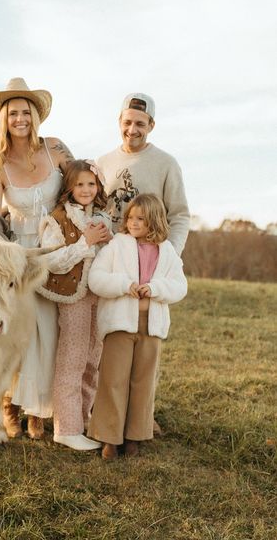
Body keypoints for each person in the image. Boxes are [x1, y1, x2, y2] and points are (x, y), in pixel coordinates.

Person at [0, 77, 74, 440]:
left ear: (36, 116)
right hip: (16, 257)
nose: (20, 119)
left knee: (48, 330)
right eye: (13, 113)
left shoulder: (56, 148)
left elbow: (80, 183)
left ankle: (39, 410)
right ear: (4, 119)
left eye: (26, 112)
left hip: (55, 250)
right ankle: (9, 404)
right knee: (17, 331)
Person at [87, 194, 187, 460]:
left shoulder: (167, 252)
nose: (133, 222)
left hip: (151, 326)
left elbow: (180, 286)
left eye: (140, 218)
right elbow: (96, 279)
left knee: (143, 382)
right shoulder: (117, 246)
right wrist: (123, 285)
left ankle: (135, 436)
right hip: (120, 324)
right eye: (130, 217)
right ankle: (109, 438)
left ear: (154, 220)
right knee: (113, 380)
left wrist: (155, 289)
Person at [37, 160, 112, 451]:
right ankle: (65, 428)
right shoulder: (57, 219)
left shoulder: (104, 218)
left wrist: (109, 240)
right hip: (73, 297)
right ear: (69, 187)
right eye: (79, 184)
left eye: (91, 184)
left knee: (93, 359)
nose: (86, 189)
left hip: (98, 295)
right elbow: (50, 261)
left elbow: (110, 254)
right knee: (73, 359)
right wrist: (85, 242)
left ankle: (83, 420)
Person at [97, 92, 190, 256]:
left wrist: (170, 256)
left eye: (140, 124)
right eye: (127, 122)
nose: (132, 130)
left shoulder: (166, 164)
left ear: (151, 125)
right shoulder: (102, 163)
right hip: (106, 256)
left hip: (146, 259)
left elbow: (179, 215)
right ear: (120, 122)